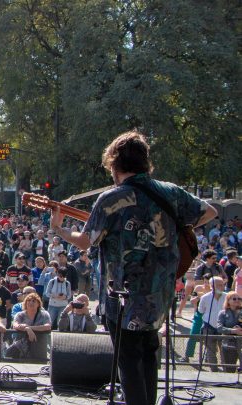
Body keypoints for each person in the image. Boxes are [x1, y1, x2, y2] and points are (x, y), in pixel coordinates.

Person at [50, 131, 215, 405]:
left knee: (128, 364)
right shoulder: (170, 191)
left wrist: (58, 228)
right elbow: (209, 211)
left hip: (122, 297)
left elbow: (85, 241)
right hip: (160, 293)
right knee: (149, 354)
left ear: (114, 163)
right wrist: (170, 230)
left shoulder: (112, 199)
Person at [7, 293, 51, 359]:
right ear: (25, 303)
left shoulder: (44, 314)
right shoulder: (20, 315)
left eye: (33, 301)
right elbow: (15, 325)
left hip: (39, 348)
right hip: (21, 348)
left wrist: (29, 328)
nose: (31, 302)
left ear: (38, 304)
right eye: (29, 300)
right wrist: (27, 329)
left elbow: (47, 326)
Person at [198, 276, 227, 371]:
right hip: (208, 326)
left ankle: (227, 371)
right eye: (219, 285)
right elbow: (201, 311)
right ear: (212, 286)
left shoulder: (227, 297)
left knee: (224, 351)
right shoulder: (205, 298)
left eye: (223, 284)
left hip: (223, 327)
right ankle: (214, 371)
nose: (222, 287)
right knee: (211, 351)